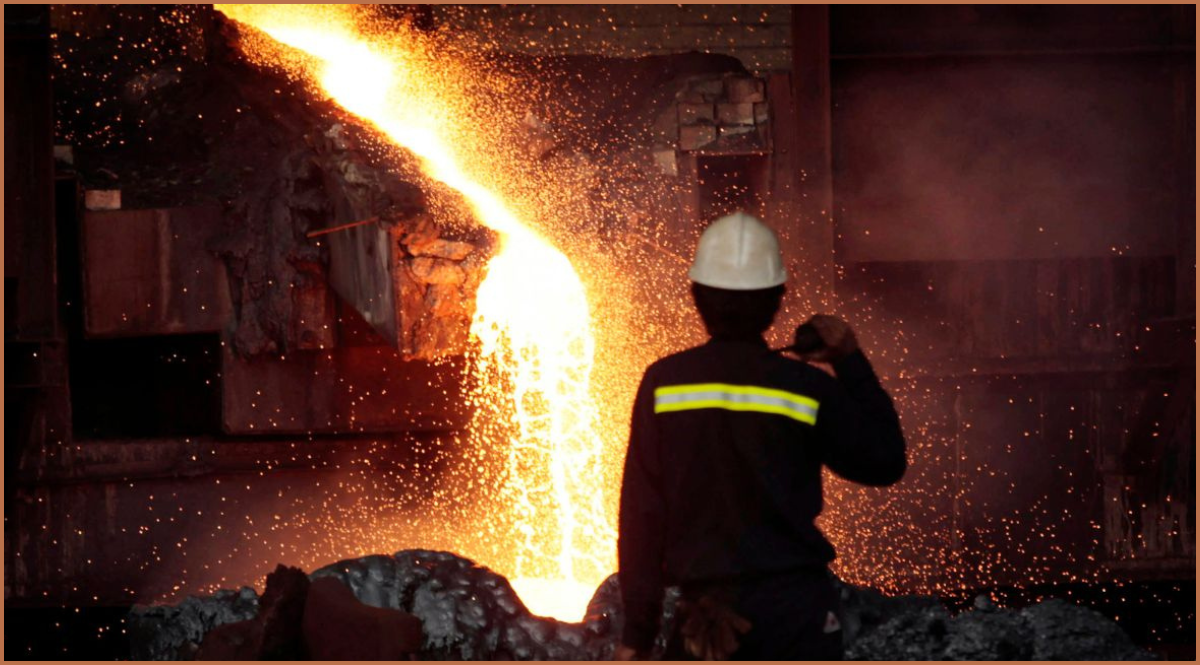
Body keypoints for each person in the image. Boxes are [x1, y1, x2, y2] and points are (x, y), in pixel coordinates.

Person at [614, 211, 907, 660]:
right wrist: (850, 361)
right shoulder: (805, 388)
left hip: (708, 624)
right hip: (796, 617)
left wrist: (636, 634)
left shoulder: (664, 385)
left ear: (697, 296)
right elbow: (884, 462)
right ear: (776, 300)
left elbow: (641, 517)